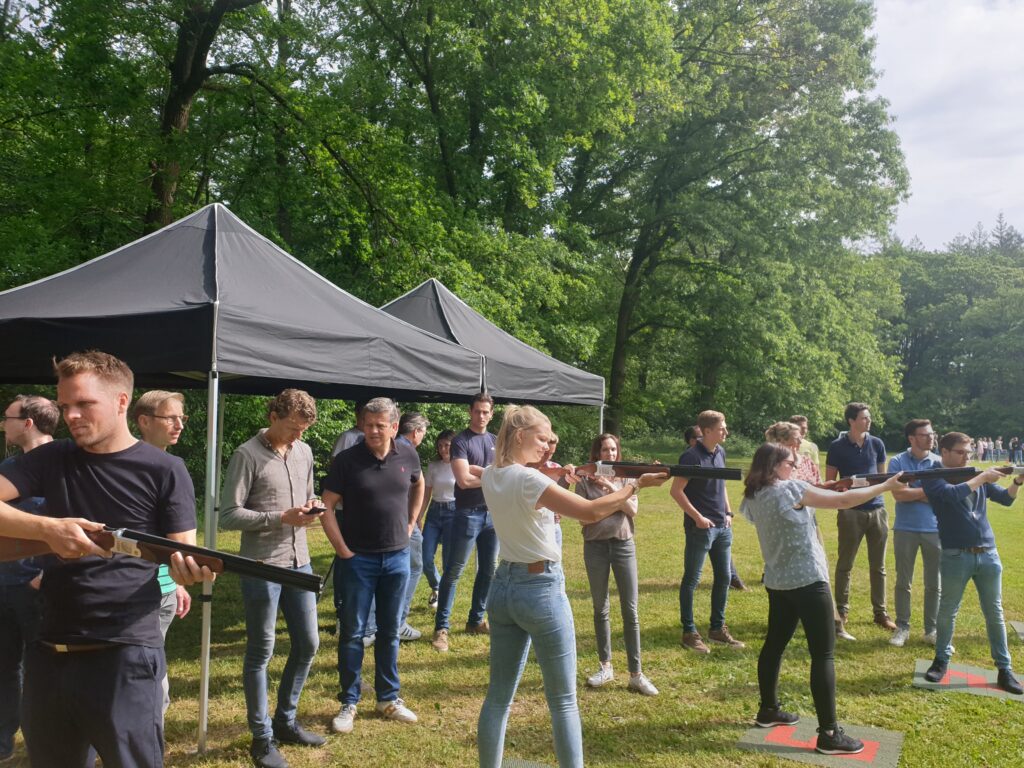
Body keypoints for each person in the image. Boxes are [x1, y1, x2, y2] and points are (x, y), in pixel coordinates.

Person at [0, 351, 211, 768]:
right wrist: (47, 530)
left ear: (120, 403)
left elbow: (181, 552)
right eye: (64, 407)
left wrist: (182, 578)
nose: (72, 416)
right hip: (49, 651)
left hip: (126, 655)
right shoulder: (51, 457)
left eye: (84, 404)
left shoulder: (166, 470)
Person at [476, 405, 667, 768]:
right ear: (520, 437)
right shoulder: (530, 480)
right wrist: (636, 485)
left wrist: (552, 474)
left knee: (498, 698)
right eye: (543, 438)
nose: (548, 446)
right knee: (563, 700)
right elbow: (592, 512)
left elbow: (530, 492)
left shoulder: (491, 474)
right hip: (540, 588)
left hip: (503, 587)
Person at [741, 442, 905, 755]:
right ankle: (829, 733)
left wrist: (820, 487)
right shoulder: (792, 489)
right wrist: (885, 485)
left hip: (778, 582)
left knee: (774, 645)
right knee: (823, 655)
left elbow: (805, 497)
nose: (795, 466)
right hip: (808, 581)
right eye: (791, 462)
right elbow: (844, 500)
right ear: (775, 464)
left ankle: (768, 710)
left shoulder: (755, 494)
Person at [220, 389, 325, 768]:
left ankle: (285, 721)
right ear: (273, 415)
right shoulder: (247, 455)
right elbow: (228, 515)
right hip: (262, 565)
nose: (298, 437)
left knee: (309, 644)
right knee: (261, 651)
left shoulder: (305, 451)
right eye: (292, 429)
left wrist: (312, 508)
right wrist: (280, 517)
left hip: (300, 563)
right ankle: (261, 739)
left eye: (303, 430)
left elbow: (309, 494)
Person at [321, 397, 424, 734]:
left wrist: (411, 522)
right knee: (352, 633)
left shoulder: (407, 453)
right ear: (362, 425)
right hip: (357, 560)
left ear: (395, 427)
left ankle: (387, 698)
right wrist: (342, 550)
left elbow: (418, 483)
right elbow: (327, 506)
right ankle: (349, 702)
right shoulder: (347, 461)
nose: (375, 430)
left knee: (390, 631)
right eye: (369, 424)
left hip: (397, 557)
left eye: (381, 425)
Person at [922, 432, 1023, 694]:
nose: (968, 456)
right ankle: (941, 660)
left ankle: (1004, 669)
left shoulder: (974, 472)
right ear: (944, 451)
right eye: (961, 452)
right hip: (956, 554)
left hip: (988, 553)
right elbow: (951, 494)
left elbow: (1006, 499)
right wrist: (981, 477)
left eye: (969, 452)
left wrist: (1017, 482)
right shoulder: (932, 475)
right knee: (948, 611)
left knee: (995, 613)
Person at [575, 433, 658, 696]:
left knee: (630, 611)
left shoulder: (626, 479)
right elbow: (586, 518)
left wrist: (611, 492)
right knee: (601, 608)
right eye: (604, 450)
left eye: (613, 450)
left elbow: (632, 510)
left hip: (623, 545)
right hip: (595, 547)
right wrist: (616, 504)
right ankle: (605, 666)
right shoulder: (585, 481)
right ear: (596, 453)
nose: (609, 454)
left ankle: (636, 674)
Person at [0, 395, 57, 762]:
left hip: (40, 589)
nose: (3, 424)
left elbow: (79, 524)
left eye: (7, 418)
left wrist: (45, 574)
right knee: (4, 665)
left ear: (28, 422)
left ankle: (49, 743)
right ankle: (3, 742)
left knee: (46, 670)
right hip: (3, 586)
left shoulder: (65, 466)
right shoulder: (8, 466)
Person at [131, 390, 194, 715]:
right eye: (171, 418)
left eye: (182, 418)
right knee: (143, 676)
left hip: (162, 591)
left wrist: (177, 582)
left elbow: (176, 540)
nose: (179, 425)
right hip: (132, 590)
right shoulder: (124, 465)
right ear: (144, 421)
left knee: (151, 676)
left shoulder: (172, 467)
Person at [671, 410, 744, 653]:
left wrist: (728, 512)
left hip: (722, 527)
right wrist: (698, 518)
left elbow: (721, 484)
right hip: (700, 528)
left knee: (724, 577)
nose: (726, 432)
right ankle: (689, 632)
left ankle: (717, 629)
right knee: (692, 579)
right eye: (722, 428)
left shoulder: (720, 452)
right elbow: (676, 491)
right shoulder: (691, 456)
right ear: (707, 431)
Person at [432, 392, 497, 652]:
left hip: (493, 515)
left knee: (489, 570)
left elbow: (502, 473)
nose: (481, 416)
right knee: (453, 571)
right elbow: (463, 480)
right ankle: (441, 628)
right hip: (467, 513)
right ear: (470, 412)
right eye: (477, 411)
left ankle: (476, 620)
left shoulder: (495, 441)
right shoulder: (461, 441)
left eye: (486, 412)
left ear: (492, 414)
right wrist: (494, 478)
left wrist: (489, 476)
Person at [826, 402, 895, 636]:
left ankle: (881, 613)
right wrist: (852, 487)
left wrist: (862, 483)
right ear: (851, 421)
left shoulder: (877, 443)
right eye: (864, 418)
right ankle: (841, 612)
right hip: (850, 512)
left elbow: (882, 478)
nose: (868, 421)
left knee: (879, 566)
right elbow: (831, 483)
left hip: (877, 510)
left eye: (869, 417)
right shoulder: (837, 446)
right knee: (845, 565)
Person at [887, 419, 942, 649]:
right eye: (925, 434)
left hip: (935, 529)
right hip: (905, 528)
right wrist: (928, 491)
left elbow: (942, 495)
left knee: (934, 584)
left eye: (932, 434)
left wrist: (915, 491)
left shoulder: (939, 462)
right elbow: (898, 495)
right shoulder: (898, 461)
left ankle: (931, 630)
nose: (931, 438)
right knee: (903, 581)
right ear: (912, 438)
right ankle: (903, 627)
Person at [396, 411, 429, 641]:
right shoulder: (407, 451)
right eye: (423, 433)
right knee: (412, 567)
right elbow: (416, 487)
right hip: (404, 521)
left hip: (393, 519)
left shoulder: (390, 446)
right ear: (416, 431)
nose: (423, 437)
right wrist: (412, 520)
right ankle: (398, 622)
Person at [421, 430, 457, 611]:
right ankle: (437, 586)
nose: (443, 449)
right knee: (425, 557)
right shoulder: (433, 466)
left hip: (454, 513)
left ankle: (443, 594)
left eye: (447, 445)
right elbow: (426, 493)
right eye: (440, 445)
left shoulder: (460, 465)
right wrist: (419, 515)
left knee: (447, 561)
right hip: (434, 513)